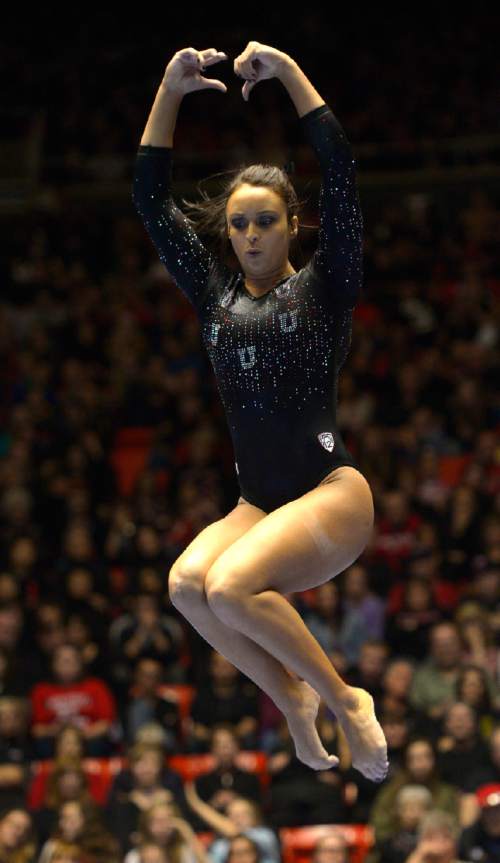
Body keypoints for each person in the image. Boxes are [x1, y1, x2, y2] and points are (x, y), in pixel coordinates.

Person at [133, 40, 388, 782]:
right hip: (258, 504)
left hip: (330, 494)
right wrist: (170, 87)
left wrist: (288, 73)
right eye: (239, 225)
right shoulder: (214, 297)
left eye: (265, 222)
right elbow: (151, 200)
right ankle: (293, 696)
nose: (248, 236)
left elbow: (340, 168)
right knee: (187, 585)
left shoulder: (324, 286)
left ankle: (347, 699)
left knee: (230, 585)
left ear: (293, 224)